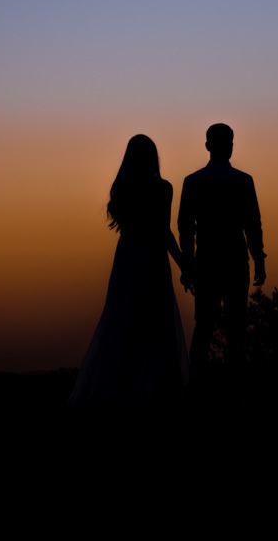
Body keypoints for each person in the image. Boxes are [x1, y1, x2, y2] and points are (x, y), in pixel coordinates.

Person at [70, 135, 190, 406]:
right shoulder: (163, 188)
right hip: (151, 258)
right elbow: (164, 231)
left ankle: (121, 383)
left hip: (127, 258)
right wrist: (183, 263)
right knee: (153, 319)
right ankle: (155, 386)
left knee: (124, 317)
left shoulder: (121, 188)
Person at [178, 123, 266, 380]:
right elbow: (253, 224)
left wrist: (188, 264)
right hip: (235, 262)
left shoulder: (193, 181)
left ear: (208, 146)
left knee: (204, 327)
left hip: (206, 262)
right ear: (229, 145)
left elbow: (186, 228)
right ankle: (234, 388)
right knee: (236, 330)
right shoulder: (243, 181)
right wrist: (258, 258)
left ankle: (197, 386)